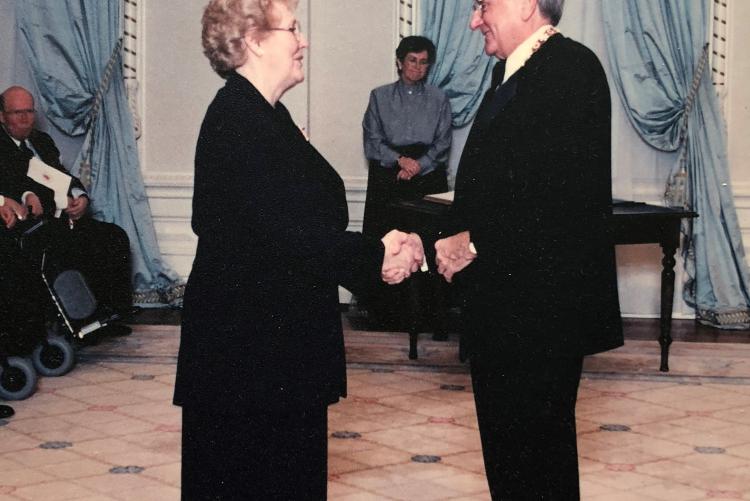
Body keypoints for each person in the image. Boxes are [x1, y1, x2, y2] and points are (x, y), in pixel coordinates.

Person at [173, 1, 423, 499]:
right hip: (248, 356)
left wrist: (373, 250)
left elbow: (297, 222)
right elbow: (281, 234)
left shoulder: (267, 117)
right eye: (293, 29)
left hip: (273, 347)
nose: (303, 40)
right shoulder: (238, 121)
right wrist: (376, 255)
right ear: (254, 40)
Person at [434, 0, 624, 498]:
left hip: (541, 316)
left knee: (538, 465)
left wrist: (472, 241)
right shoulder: (514, 73)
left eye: (483, 5)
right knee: (512, 463)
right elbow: (497, 184)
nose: (474, 20)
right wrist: (459, 236)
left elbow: (557, 198)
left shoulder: (570, 69)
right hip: (509, 311)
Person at [0, 86, 133, 335]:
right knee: (68, 247)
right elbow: (14, 184)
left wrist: (79, 195)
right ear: (2, 116)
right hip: (31, 224)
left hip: (61, 217)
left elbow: (64, 176)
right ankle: (78, 320)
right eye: (17, 112)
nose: (25, 118)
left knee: (113, 236)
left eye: (29, 111)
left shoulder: (42, 141)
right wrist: (26, 195)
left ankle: (108, 315)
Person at [361, 36, 452, 330]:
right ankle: (386, 316)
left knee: (426, 242)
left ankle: (427, 316)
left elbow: (442, 143)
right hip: (390, 174)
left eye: (424, 62)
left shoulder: (439, 99)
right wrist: (400, 161)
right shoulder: (379, 96)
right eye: (412, 60)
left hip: (426, 177)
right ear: (400, 62)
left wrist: (418, 165)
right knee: (387, 242)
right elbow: (372, 141)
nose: (418, 67)